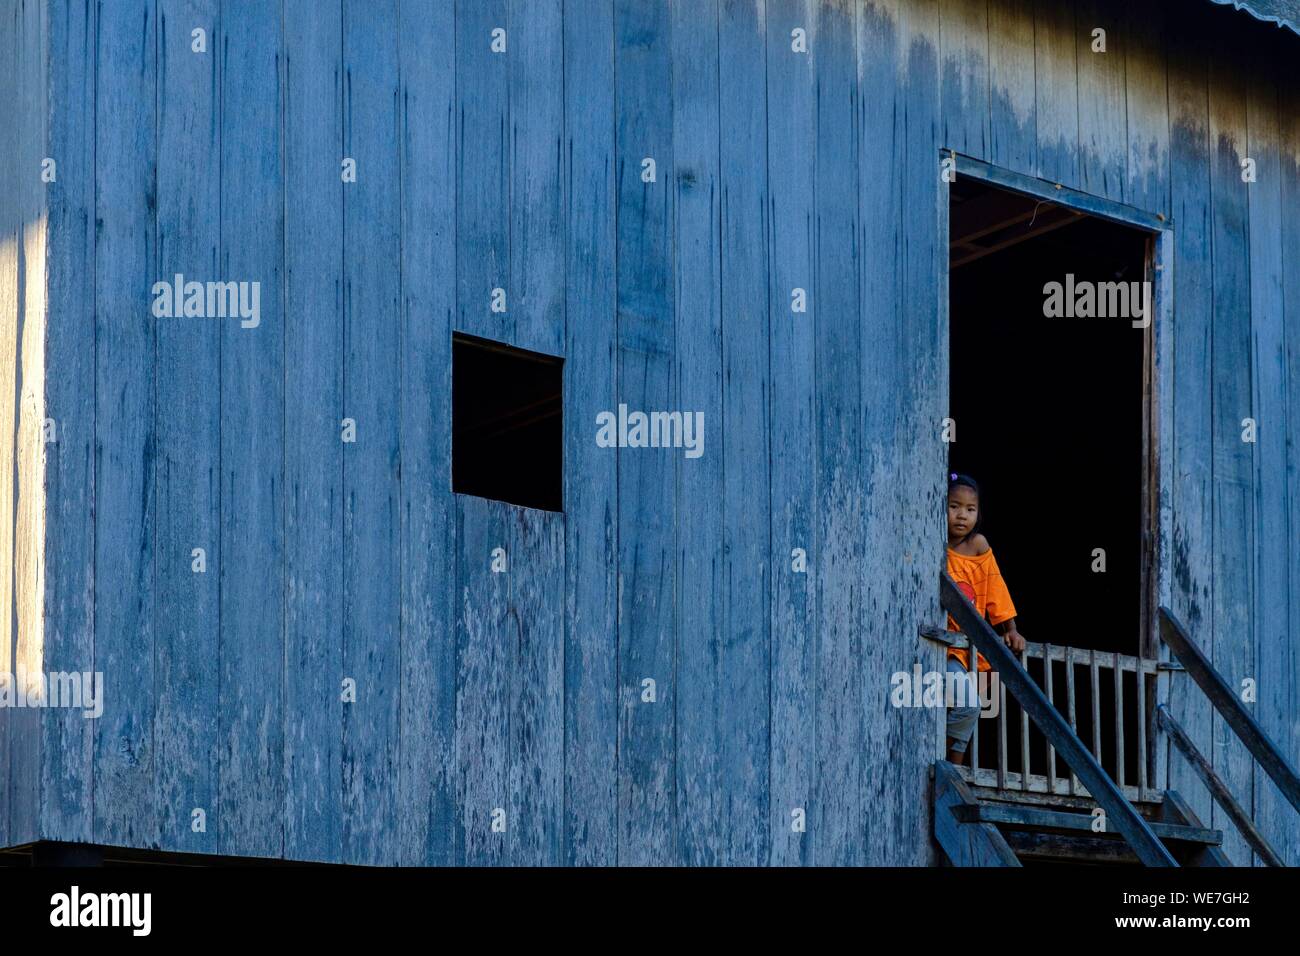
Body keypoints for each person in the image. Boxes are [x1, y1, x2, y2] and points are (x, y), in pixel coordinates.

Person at [944, 472, 1026, 765]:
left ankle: (952, 762)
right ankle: (949, 765)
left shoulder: (977, 545)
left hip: (971, 650)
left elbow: (995, 586)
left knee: (971, 705)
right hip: (945, 648)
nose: (962, 515)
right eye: (954, 506)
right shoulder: (934, 543)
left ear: (978, 514)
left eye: (970, 509)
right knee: (969, 705)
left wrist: (1011, 628)